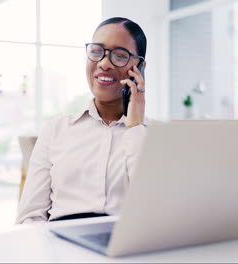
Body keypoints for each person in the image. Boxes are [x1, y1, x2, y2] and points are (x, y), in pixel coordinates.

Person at [16, 17, 149, 224]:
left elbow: (155, 211)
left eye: (120, 56)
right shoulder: (55, 130)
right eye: (97, 52)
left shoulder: (156, 136)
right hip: (60, 248)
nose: (104, 63)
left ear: (140, 67)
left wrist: (134, 127)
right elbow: (29, 217)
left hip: (127, 249)